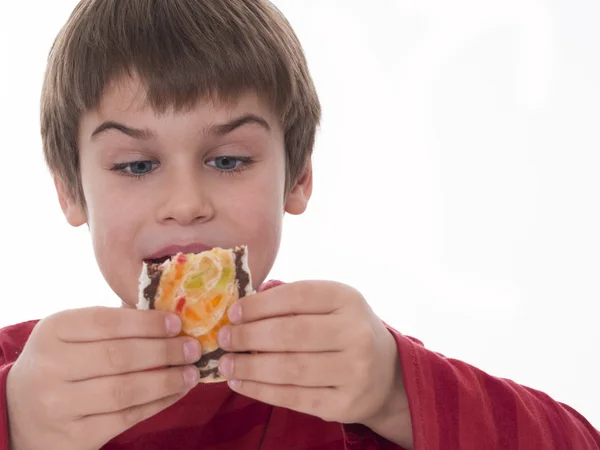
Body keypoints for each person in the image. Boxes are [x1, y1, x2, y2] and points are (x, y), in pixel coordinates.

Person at [1, 1, 598, 449]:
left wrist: (395, 393)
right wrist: (16, 421)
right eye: (136, 165)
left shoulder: (344, 371)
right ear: (70, 191)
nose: (185, 203)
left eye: (229, 160)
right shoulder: (22, 378)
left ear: (298, 178)